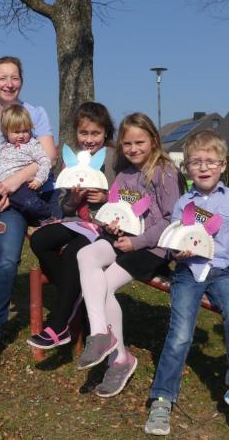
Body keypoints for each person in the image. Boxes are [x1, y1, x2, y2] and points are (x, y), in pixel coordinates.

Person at [144, 131, 229, 435]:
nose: (204, 167)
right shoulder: (184, 201)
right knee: (181, 333)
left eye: (210, 161)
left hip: (222, 273)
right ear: (188, 169)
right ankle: (161, 398)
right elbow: (172, 239)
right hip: (188, 272)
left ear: (223, 165)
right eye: (196, 162)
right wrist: (176, 251)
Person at [75, 112, 185, 398]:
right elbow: (112, 211)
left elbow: (172, 221)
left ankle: (120, 360)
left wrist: (136, 244)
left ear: (154, 140)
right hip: (119, 237)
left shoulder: (166, 173)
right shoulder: (124, 175)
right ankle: (100, 334)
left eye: (139, 142)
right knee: (86, 254)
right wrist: (109, 222)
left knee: (105, 286)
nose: (133, 148)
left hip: (153, 247)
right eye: (127, 144)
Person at [0, 56, 57, 372]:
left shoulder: (36, 114)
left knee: (73, 242)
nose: (9, 83)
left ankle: (82, 319)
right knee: (7, 255)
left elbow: (48, 157)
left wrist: (14, 181)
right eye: (2, 77)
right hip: (8, 203)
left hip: (42, 192)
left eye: (15, 77)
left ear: (21, 81)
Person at [28, 101, 118, 349]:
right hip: (78, 222)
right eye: (84, 133)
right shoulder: (71, 161)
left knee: (73, 254)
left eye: (96, 133)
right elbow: (65, 206)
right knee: (39, 240)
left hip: (103, 228)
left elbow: (127, 196)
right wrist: (74, 199)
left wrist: (106, 197)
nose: (89, 139)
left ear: (106, 133)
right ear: (76, 133)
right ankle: (77, 291)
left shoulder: (113, 158)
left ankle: (59, 325)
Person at [0, 104, 55, 234]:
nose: (21, 135)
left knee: (28, 201)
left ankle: (46, 216)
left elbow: (45, 161)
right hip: (0, 185)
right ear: (6, 131)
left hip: (22, 186)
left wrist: (39, 180)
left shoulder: (32, 145)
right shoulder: (2, 148)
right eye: (16, 132)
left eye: (25, 131)